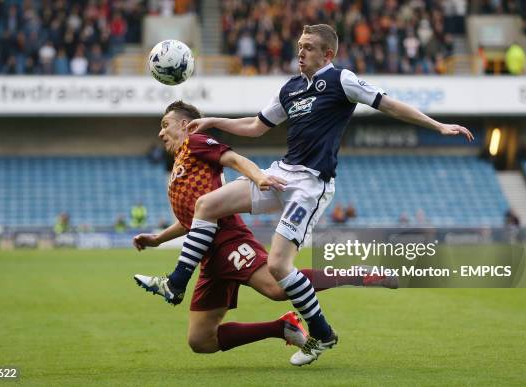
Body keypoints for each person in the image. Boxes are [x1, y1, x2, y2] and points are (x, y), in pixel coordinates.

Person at [152, 24, 472, 366]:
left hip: (310, 185)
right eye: (299, 46)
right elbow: (256, 127)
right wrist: (215, 120)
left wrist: (438, 126)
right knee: (207, 204)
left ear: (327, 54)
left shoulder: (341, 80)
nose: (299, 52)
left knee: (277, 266)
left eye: (307, 47)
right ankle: (177, 281)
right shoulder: (290, 89)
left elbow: (389, 105)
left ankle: (321, 332)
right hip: (283, 173)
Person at [133, 101, 396, 359]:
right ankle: (281, 327)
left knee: (277, 289)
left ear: (183, 124)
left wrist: (258, 177)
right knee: (201, 341)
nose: (160, 132)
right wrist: (158, 239)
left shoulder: (196, 142)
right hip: (205, 254)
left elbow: (234, 158)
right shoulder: (182, 163)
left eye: (165, 125)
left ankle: (358, 273)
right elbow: (192, 219)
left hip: (227, 239)